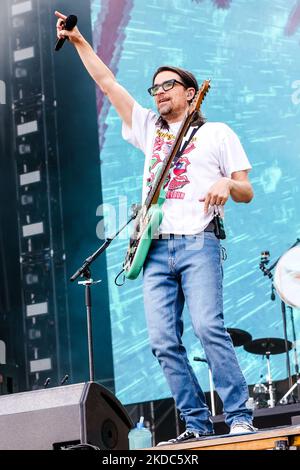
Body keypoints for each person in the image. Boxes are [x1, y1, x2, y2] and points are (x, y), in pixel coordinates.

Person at [55, 11, 256, 443]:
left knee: (207, 328)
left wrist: (225, 182)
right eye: (155, 87)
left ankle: (239, 415)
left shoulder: (217, 133)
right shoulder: (148, 127)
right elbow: (108, 83)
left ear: (189, 92)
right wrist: (78, 42)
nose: (159, 92)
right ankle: (197, 424)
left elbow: (246, 191)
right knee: (163, 341)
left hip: (198, 243)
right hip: (154, 250)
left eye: (168, 85)